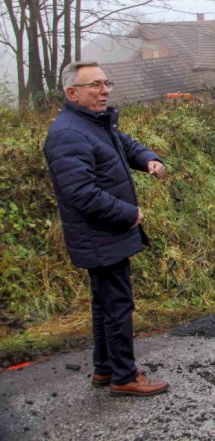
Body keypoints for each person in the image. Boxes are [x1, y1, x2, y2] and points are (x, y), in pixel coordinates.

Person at [43, 61, 169, 397]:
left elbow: (124, 144)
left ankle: (104, 369)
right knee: (117, 304)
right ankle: (124, 376)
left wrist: (148, 159)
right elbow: (81, 194)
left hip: (104, 234)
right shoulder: (68, 134)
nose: (105, 90)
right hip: (100, 234)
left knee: (104, 303)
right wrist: (129, 214)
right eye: (95, 85)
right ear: (72, 93)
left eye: (105, 82)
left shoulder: (94, 124)